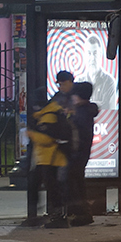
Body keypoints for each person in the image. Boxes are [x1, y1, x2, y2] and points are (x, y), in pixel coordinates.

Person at [22, 71, 73, 228]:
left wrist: (32, 134)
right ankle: (52, 216)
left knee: (53, 186)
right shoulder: (49, 109)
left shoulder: (52, 111)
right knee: (47, 185)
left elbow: (48, 136)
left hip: (51, 156)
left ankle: (57, 218)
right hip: (46, 156)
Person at [66, 81, 99, 225]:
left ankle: (82, 214)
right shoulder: (86, 111)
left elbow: (75, 134)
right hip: (81, 153)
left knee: (75, 184)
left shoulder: (80, 113)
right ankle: (81, 213)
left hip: (76, 153)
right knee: (77, 182)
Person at [83, 34, 118, 111]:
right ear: (85, 55)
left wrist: (84, 104)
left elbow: (110, 110)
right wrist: (99, 104)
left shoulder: (109, 81)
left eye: (95, 53)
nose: (92, 58)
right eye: (89, 53)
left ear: (100, 55)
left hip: (105, 123)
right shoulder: (79, 80)